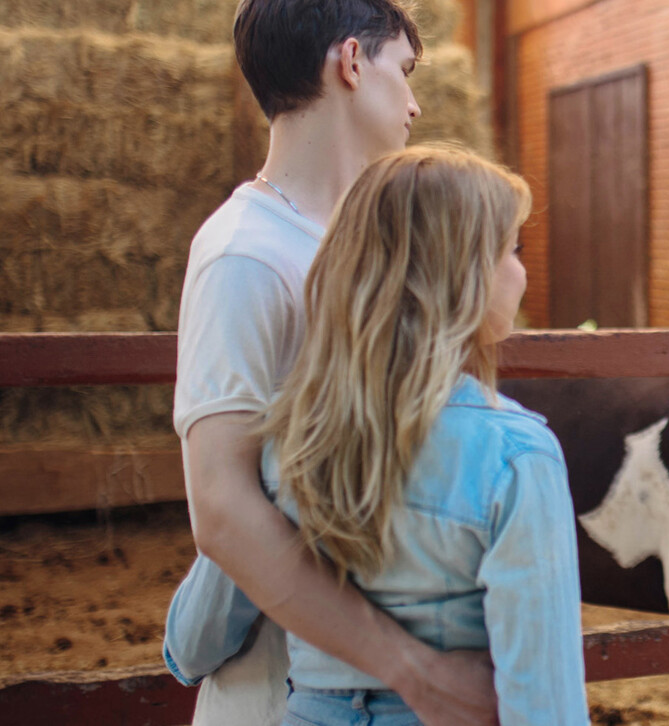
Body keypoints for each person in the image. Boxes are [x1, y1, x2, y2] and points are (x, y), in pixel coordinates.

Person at [162, 2, 497, 723]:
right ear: (350, 63)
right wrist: (413, 669)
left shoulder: (365, 245)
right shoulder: (244, 255)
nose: (413, 103)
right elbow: (221, 510)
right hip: (282, 688)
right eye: (402, 72)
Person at [257, 145, 584, 725]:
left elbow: (193, 636)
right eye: (513, 250)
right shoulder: (517, 458)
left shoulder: (288, 436)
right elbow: (545, 708)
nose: (522, 271)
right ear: (462, 273)